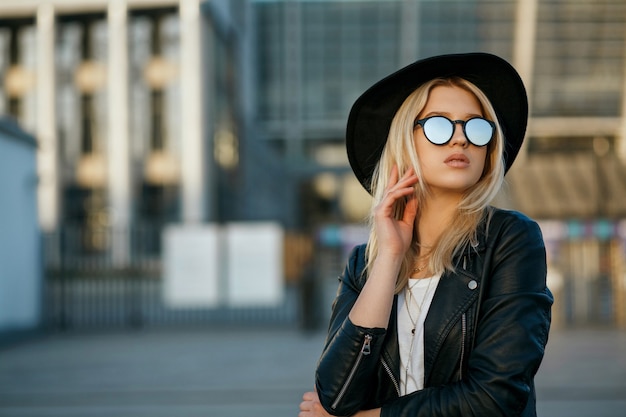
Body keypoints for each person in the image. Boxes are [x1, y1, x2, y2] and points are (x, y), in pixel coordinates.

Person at [298, 52, 553, 417]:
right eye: (440, 125)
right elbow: (336, 396)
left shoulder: (509, 240)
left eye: (475, 127)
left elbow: (495, 398)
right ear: (406, 140)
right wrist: (388, 258)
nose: (461, 140)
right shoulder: (365, 262)